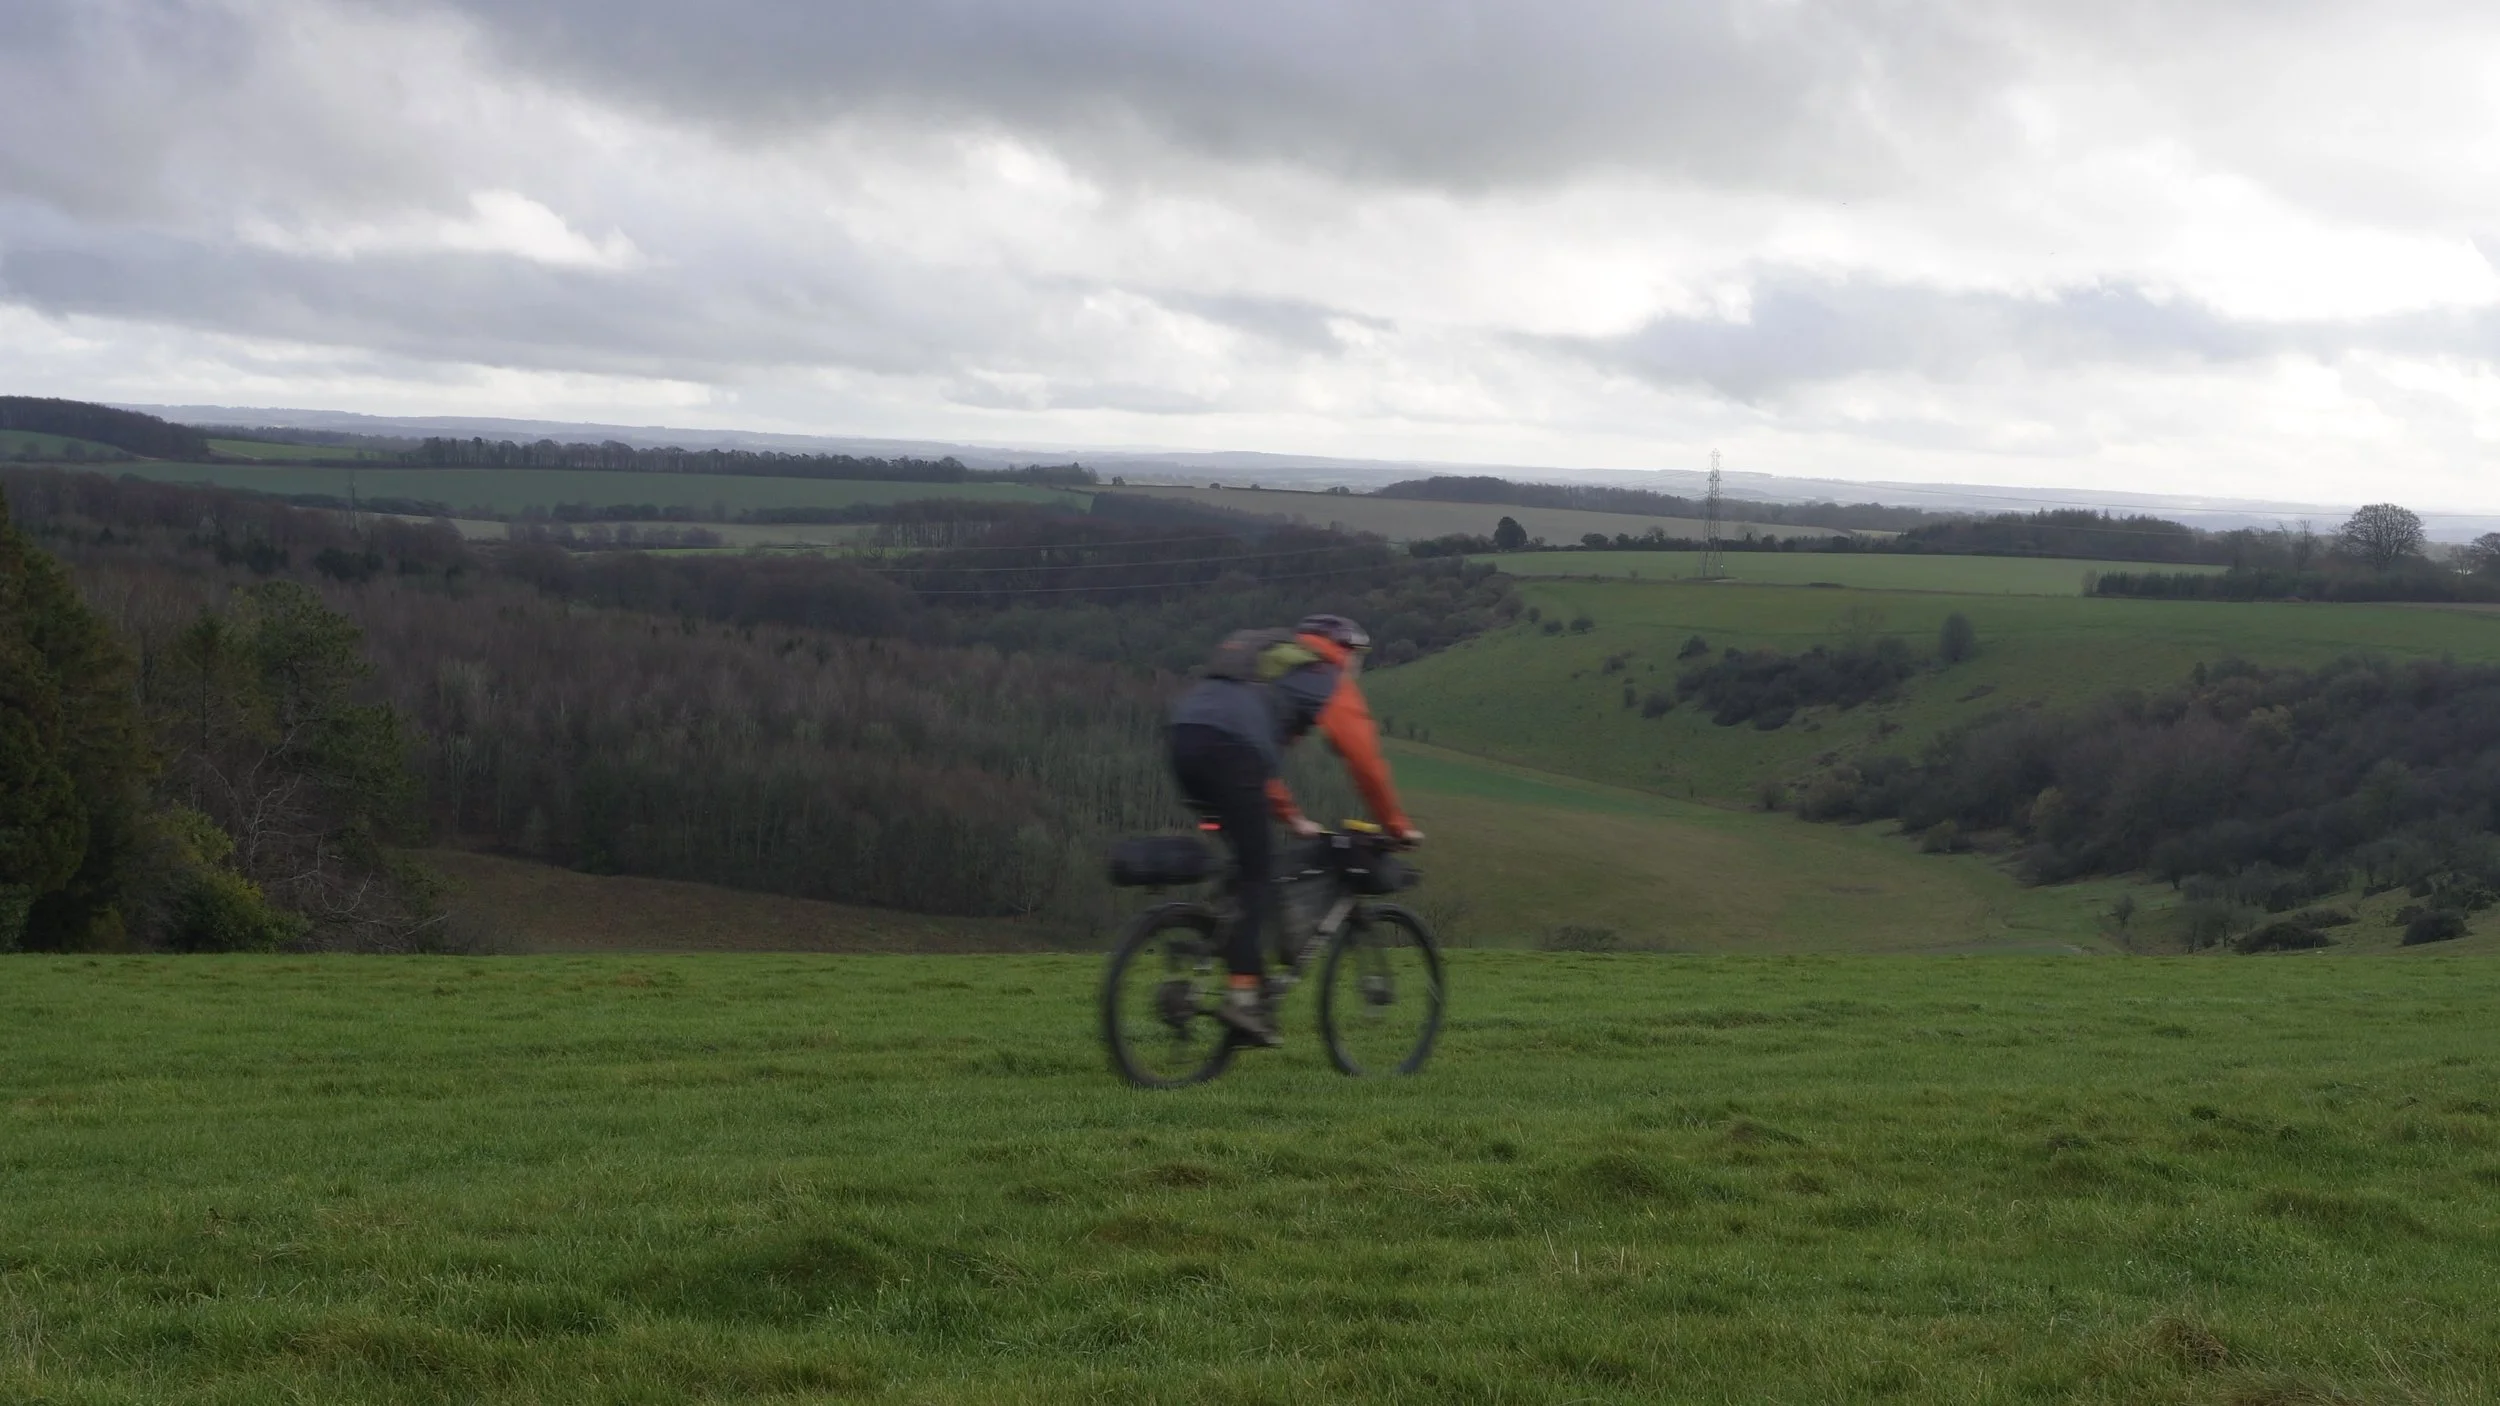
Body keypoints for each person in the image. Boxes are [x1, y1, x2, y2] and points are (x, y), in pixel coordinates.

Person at [1166, 613, 1423, 1046]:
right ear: (1341, 649)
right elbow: (1365, 763)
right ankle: (1244, 996)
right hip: (1230, 748)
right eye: (1356, 657)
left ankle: (1213, 940)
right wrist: (1397, 826)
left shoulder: (1272, 663)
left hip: (1184, 738)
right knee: (1258, 874)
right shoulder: (1325, 676)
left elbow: (1260, 760)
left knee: (1246, 866)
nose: (1356, 668)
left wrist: (1291, 817)